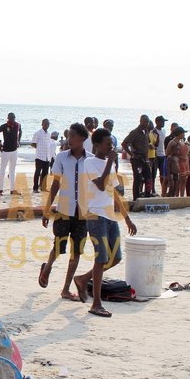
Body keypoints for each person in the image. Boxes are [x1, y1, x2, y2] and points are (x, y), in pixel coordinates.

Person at [72, 128, 137, 317]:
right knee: (101, 258)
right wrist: (110, 161)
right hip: (95, 215)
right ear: (97, 145)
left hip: (109, 216)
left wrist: (126, 217)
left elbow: (113, 192)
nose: (112, 147)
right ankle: (96, 304)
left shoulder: (111, 164)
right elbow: (100, 184)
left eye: (112, 144)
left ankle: (83, 279)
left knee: (115, 257)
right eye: (108, 144)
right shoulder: (90, 163)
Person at [39, 123, 91, 301]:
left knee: (76, 252)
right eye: (68, 136)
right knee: (58, 248)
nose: (69, 139)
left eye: (72, 136)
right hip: (63, 211)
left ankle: (66, 289)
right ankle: (47, 268)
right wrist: (47, 210)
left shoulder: (90, 160)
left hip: (83, 213)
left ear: (82, 139)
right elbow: (55, 184)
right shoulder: (61, 158)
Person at [121, 115, 152, 200]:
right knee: (138, 178)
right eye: (146, 121)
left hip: (145, 158)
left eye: (148, 122)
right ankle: (136, 198)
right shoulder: (134, 132)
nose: (147, 123)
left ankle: (147, 196)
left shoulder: (146, 131)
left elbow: (147, 144)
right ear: (141, 121)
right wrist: (132, 154)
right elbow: (124, 144)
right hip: (137, 159)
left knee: (148, 177)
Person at [0, 112, 22, 195]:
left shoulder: (18, 125)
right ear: (8, 118)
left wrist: (18, 140)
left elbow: (20, 131)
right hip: (5, 151)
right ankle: (0, 190)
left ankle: (12, 190)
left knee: (12, 171)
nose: (13, 119)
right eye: (11, 118)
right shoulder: (4, 126)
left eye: (14, 118)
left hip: (14, 151)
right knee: (2, 171)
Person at [32, 119, 55, 193]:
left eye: (48, 124)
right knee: (37, 172)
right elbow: (33, 143)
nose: (47, 125)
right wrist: (39, 148)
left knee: (45, 173)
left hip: (47, 157)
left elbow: (50, 144)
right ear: (42, 124)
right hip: (39, 156)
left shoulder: (49, 134)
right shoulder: (38, 133)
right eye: (46, 124)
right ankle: (35, 188)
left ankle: (42, 187)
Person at [151, 116, 168, 195]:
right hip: (156, 155)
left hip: (163, 154)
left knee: (163, 173)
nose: (164, 123)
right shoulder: (153, 131)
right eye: (162, 122)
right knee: (153, 173)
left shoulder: (164, 131)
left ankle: (163, 189)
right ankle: (153, 189)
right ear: (157, 122)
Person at [165, 128, 184, 197]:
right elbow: (167, 153)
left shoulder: (181, 142)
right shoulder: (172, 142)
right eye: (182, 133)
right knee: (171, 186)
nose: (184, 135)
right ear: (179, 134)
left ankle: (175, 196)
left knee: (176, 185)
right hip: (171, 165)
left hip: (177, 166)